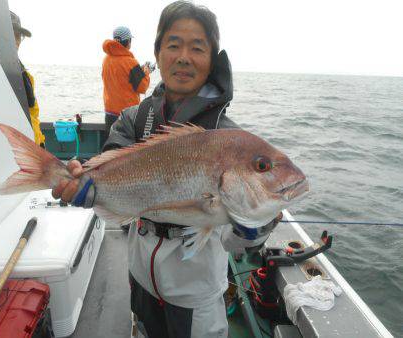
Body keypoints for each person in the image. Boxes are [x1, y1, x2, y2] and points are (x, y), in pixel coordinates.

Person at [53, 2, 280, 337]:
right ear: (157, 54)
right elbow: (113, 158)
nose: (184, 57)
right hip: (140, 276)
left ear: (212, 60)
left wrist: (255, 228)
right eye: (173, 45)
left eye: (197, 47)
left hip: (195, 294)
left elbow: (234, 243)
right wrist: (86, 186)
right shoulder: (135, 117)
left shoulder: (227, 136)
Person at [102, 26, 151, 141]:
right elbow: (142, 87)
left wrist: (139, 72)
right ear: (128, 42)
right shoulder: (131, 62)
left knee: (111, 146)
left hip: (109, 112)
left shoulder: (106, 60)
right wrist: (146, 74)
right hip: (127, 115)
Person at [11, 11, 46, 147]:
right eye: (11, 34)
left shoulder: (23, 73)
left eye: (18, 36)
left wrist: (40, 143)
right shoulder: (1, 74)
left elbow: (33, 114)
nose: (16, 41)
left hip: (34, 146)